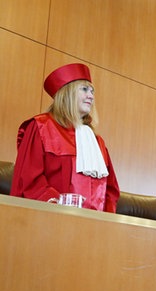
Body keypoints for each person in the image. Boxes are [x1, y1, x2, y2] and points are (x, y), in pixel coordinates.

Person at [10, 63, 120, 212]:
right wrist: (62, 211)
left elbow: (111, 190)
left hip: (93, 228)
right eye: (85, 89)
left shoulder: (97, 142)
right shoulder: (41, 127)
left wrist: (104, 222)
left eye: (92, 91)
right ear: (67, 92)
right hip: (50, 219)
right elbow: (30, 180)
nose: (91, 96)